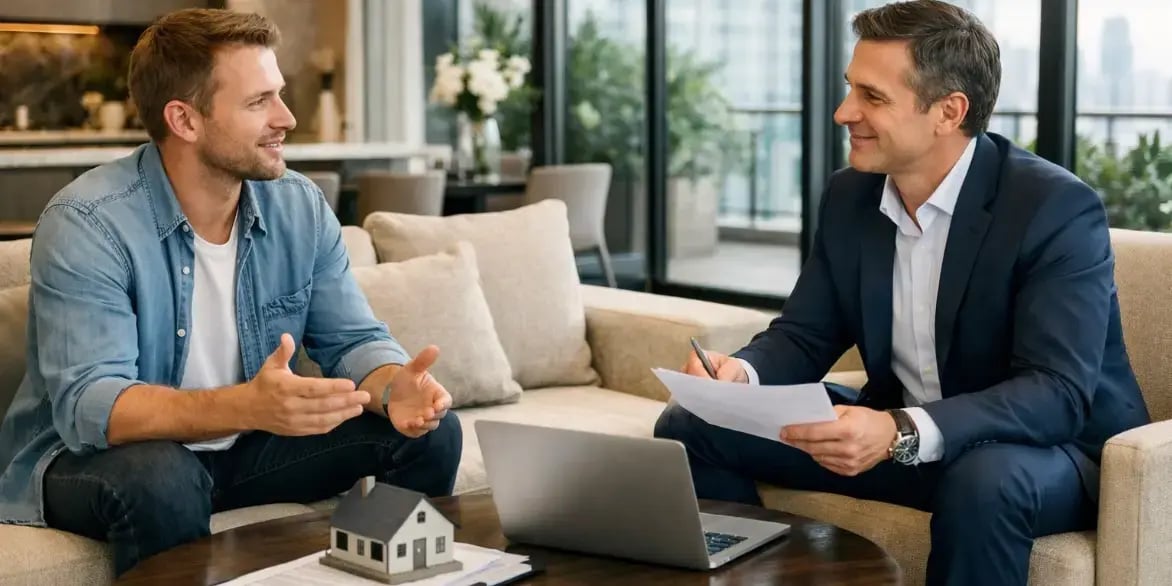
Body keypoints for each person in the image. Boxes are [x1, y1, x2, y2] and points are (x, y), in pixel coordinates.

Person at [654, 1, 1150, 585]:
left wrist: (902, 430)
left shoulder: (1052, 209)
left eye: (873, 97)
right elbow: (806, 332)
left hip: (1047, 451)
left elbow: (1056, 393)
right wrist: (743, 374)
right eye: (849, 89)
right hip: (900, 436)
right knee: (690, 424)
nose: (844, 112)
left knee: (983, 478)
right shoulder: (850, 197)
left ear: (948, 111)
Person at [0, 8, 461, 576]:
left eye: (280, 94)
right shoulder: (88, 222)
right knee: (162, 479)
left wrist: (396, 387)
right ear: (185, 120)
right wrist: (246, 405)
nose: (286, 117)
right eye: (258, 101)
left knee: (430, 437)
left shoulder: (299, 206)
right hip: (93, 458)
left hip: (247, 446)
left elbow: (353, 340)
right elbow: (94, 406)